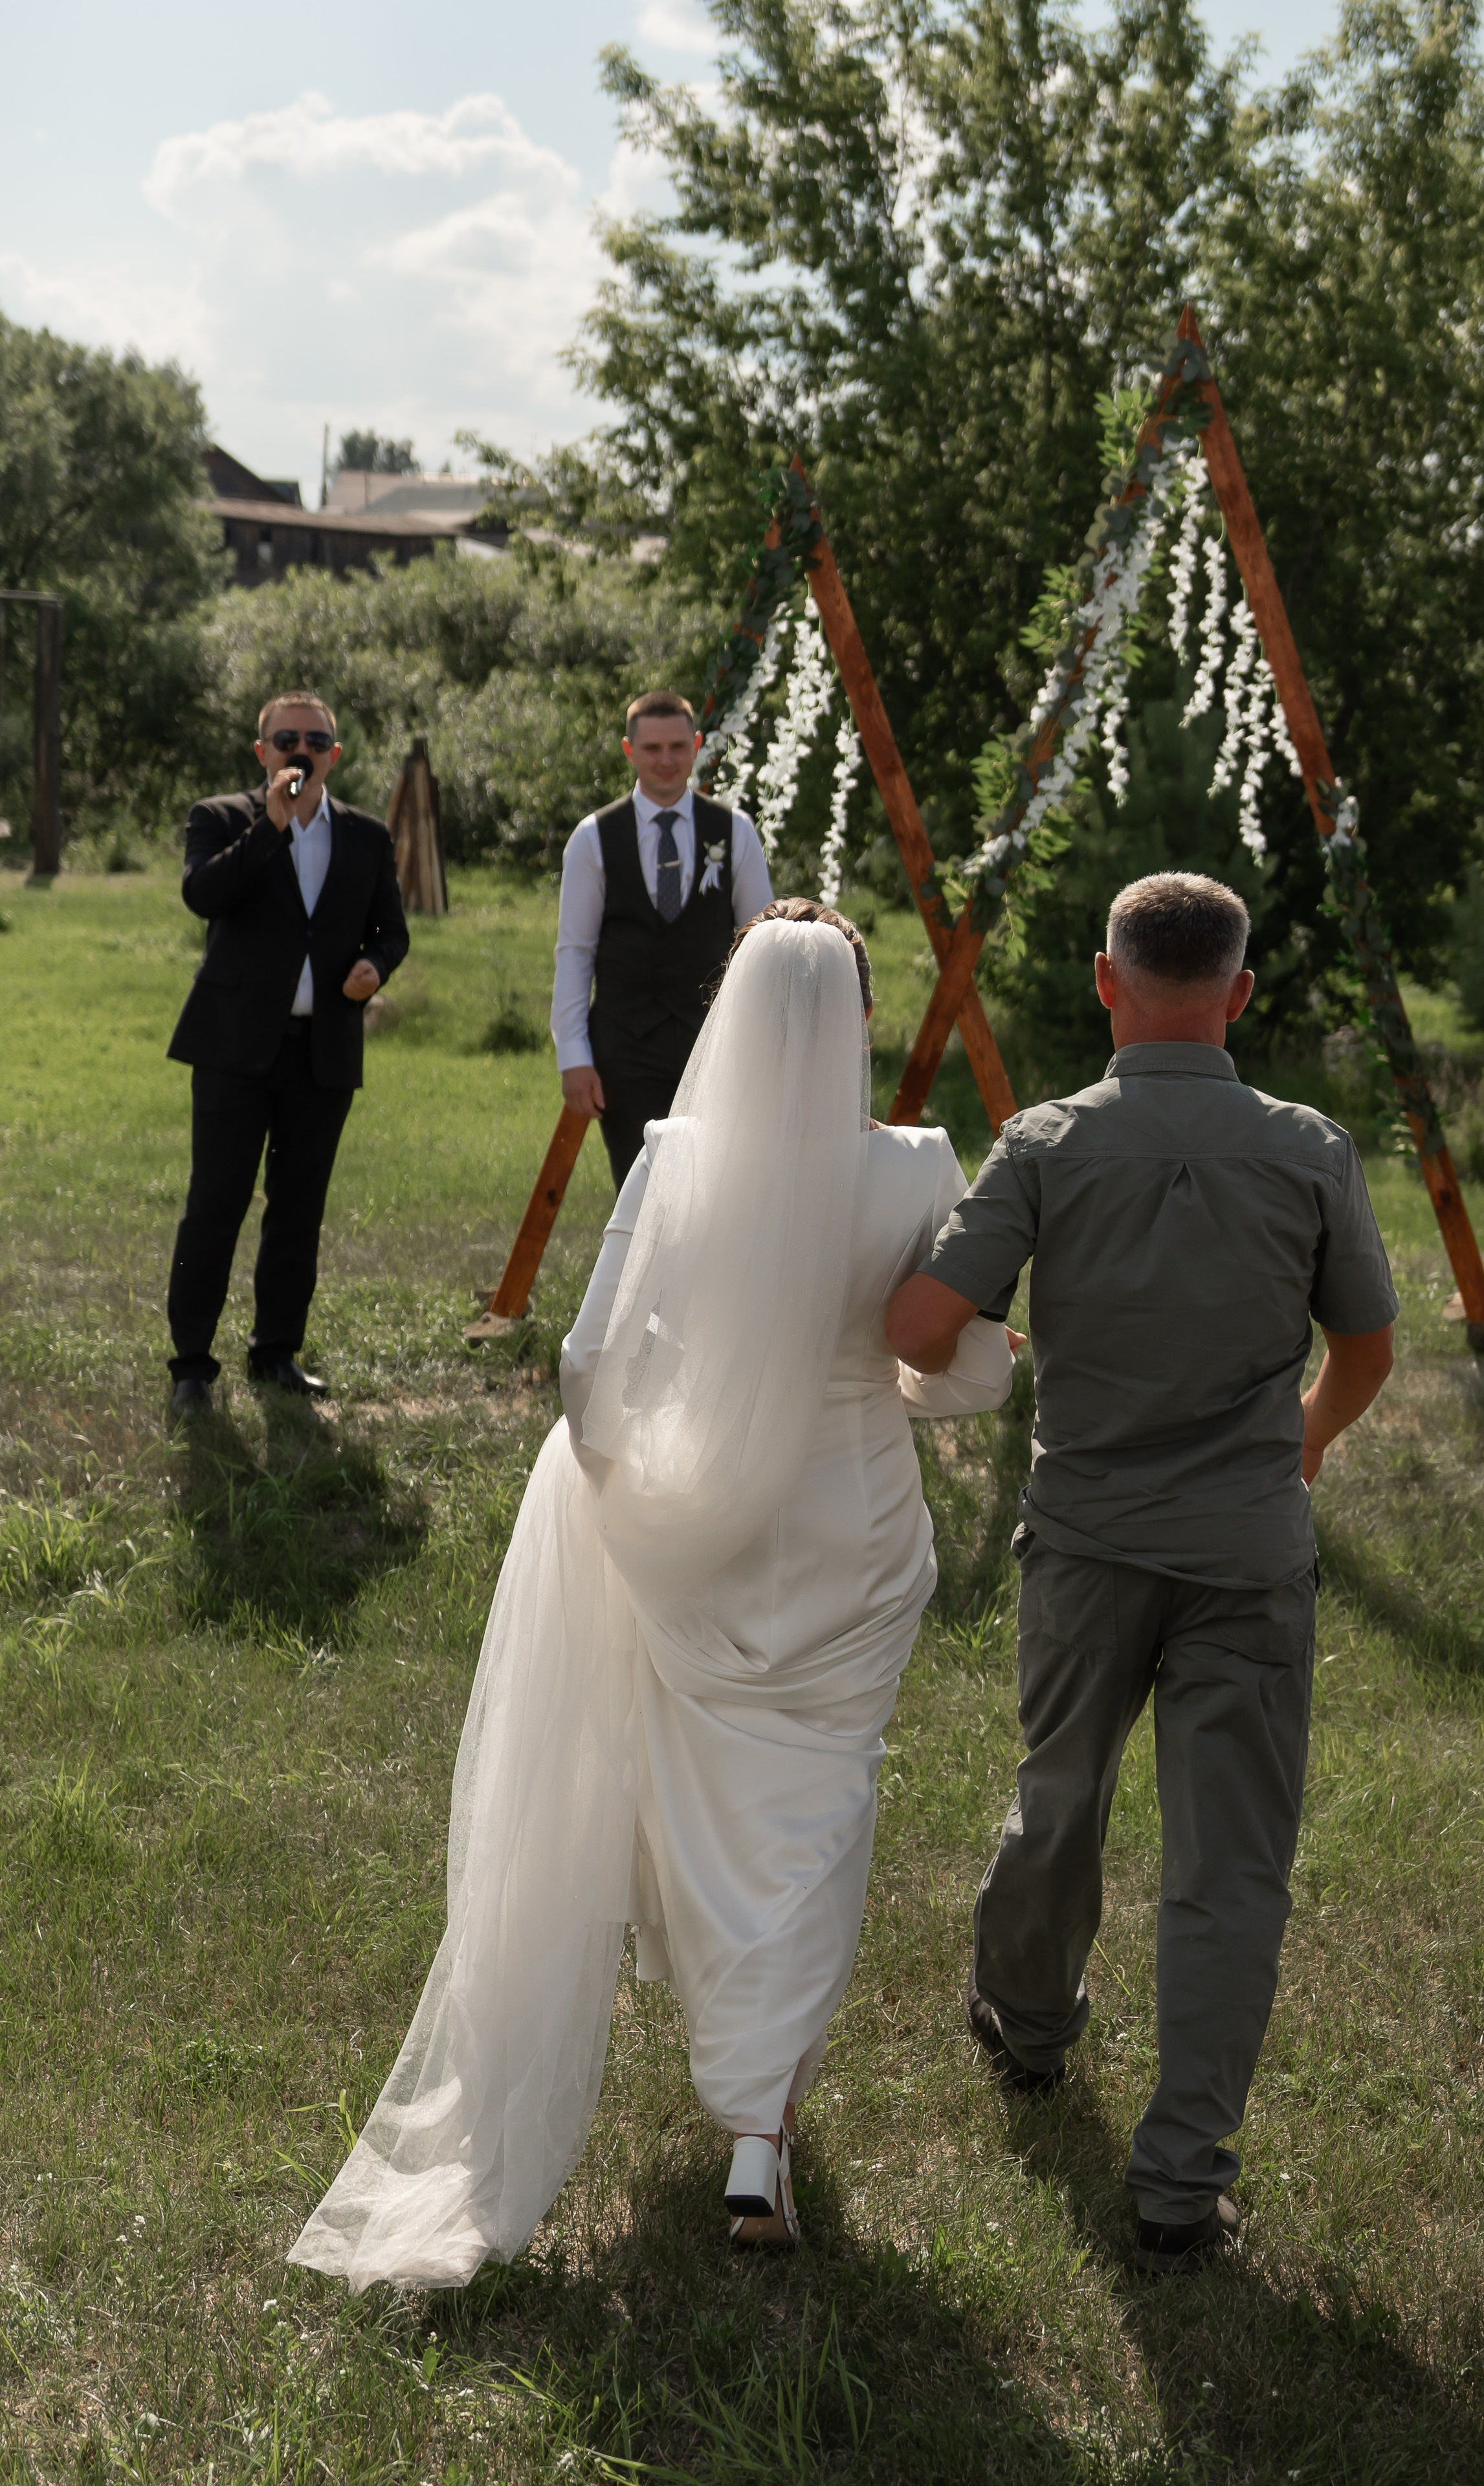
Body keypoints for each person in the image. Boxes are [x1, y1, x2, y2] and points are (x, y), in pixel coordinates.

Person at [289, 900, 1015, 2289]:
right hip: (855, 1535)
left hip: (705, 1538)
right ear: (860, 1017)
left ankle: (739, 2080)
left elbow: (589, 1364)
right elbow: (958, 1374)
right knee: (818, 1807)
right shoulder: (920, 1164)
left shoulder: (675, 1159)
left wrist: (638, 1496)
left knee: (697, 1806)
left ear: (729, 1011)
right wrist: (953, 1366)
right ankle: (757, 2126)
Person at [885, 871, 1398, 2279]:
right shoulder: (1309, 1148)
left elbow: (923, 1327)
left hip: (1087, 1543)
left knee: (1057, 1796)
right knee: (1228, 1870)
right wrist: (1299, 1443)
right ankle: (1179, 2186)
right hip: (1244, 1551)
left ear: (1104, 983)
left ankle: (1028, 2026)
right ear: (1238, 995)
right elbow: (1365, 1349)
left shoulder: (1045, 1144)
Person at [164, 691, 408, 1418]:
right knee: (215, 1204)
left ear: (336, 753)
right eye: (286, 740)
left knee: (298, 1208)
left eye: (316, 741)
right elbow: (203, 896)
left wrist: (376, 967)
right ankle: (191, 1365)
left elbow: (389, 930)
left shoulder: (365, 836)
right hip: (234, 1048)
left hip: (322, 1050)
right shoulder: (220, 818)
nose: (301, 751)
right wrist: (271, 825)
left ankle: (276, 1353)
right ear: (261, 751)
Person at [552, 691, 773, 1189]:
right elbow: (575, 952)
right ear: (630, 751)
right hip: (624, 1050)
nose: (666, 760)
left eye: (678, 746)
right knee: (641, 1193)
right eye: (652, 749)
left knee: (718, 1189)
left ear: (696, 746)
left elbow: (763, 945)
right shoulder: (593, 839)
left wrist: (764, 1043)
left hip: (716, 1044)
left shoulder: (735, 831)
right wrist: (574, 1056)